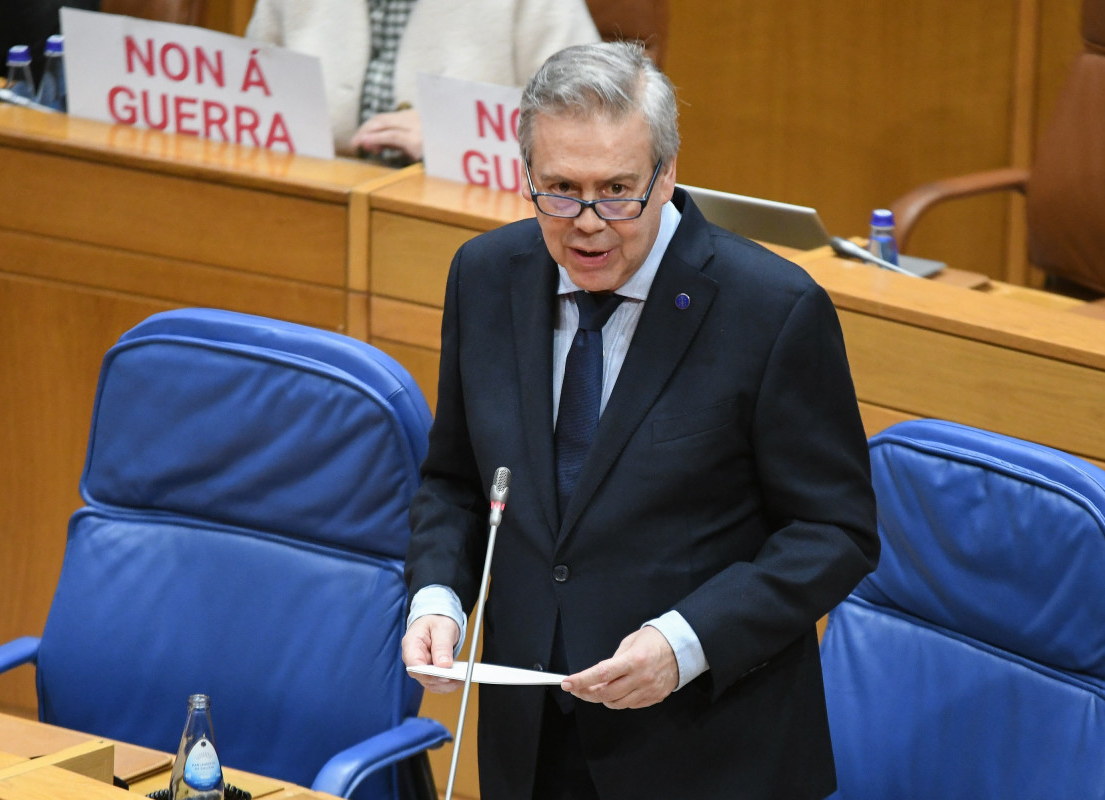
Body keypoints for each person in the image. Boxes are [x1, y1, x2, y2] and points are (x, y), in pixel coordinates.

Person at [401, 41, 880, 800]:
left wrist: (685, 642)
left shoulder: (772, 311)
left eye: (617, 190)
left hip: (704, 752)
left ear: (669, 173)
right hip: (529, 746)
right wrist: (437, 597)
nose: (588, 223)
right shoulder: (486, 277)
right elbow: (458, 483)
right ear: (526, 175)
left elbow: (835, 532)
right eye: (559, 190)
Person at [243, 0, 599, 164]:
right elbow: (249, 97)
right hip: (314, 188)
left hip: (458, 210)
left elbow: (591, 122)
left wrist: (454, 140)